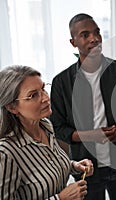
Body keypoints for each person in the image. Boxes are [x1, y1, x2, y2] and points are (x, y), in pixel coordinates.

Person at [50, 13, 116, 200]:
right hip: (86, 167)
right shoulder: (61, 82)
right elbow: (58, 128)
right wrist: (90, 136)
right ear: (73, 42)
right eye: (85, 35)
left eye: (97, 32)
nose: (94, 39)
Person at [0, 65, 94, 200]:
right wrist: (60, 198)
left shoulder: (45, 125)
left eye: (43, 89)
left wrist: (73, 166)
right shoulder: (5, 153)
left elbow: (48, 166)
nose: (45, 98)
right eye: (33, 95)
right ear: (12, 107)